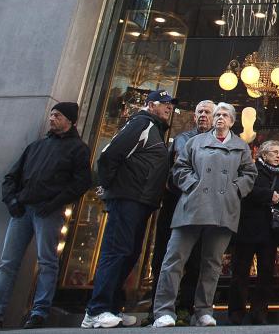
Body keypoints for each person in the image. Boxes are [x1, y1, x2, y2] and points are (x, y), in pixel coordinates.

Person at [0, 103, 91, 330]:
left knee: (47, 262)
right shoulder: (36, 146)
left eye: (57, 115)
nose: (51, 119)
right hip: (23, 210)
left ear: (69, 120)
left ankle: (39, 312)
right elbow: (12, 176)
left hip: (49, 212)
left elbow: (81, 183)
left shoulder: (78, 149)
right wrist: (12, 200)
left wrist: (53, 204)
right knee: (8, 263)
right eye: (51, 114)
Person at [152, 102, 257, 327]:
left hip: (223, 209)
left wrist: (235, 190)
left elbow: (249, 173)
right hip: (193, 206)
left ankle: (203, 311)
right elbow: (179, 168)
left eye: (224, 115)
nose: (219, 118)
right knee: (174, 259)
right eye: (217, 114)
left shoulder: (241, 146)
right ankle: (163, 310)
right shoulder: (195, 142)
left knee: (212, 263)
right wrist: (192, 185)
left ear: (232, 121)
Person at [82, 90, 176, 329]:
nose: (169, 108)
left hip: (141, 201)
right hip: (128, 199)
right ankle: (97, 309)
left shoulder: (153, 128)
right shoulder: (141, 124)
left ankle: (112, 307)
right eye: (164, 104)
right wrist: (108, 186)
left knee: (129, 253)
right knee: (116, 251)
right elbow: (108, 156)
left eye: (170, 105)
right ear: (150, 105)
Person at [149, 100, 215, 324]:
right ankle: (157, 307)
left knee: (196, 260)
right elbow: (170, 171)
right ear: (194, 117)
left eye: (208, 112)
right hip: (176, 204)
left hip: (203, 208)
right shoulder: (181, 140)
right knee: (164, 257)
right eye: (200, 112)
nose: (204, 115)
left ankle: (186, 307)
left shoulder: (222, 143)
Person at [228, 140, 279, 325]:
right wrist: (268, 196)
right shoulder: (253, 169)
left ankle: (260, 312)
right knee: (240, 272)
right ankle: (236, 313)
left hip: (270, 231)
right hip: (248, 227)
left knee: (266, 273)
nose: (278, 155)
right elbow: (246, 191)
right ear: (264, 155)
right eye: (273, 152)